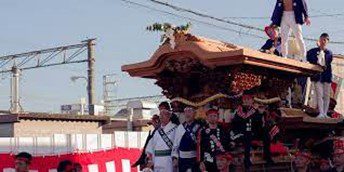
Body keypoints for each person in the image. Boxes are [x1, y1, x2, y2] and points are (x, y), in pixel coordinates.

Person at [306, 33, 333, 118]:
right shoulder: (312, 51)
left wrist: (321, 50)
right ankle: (321, 113)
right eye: (322, 39)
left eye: (325, 40)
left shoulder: (329, 52)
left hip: (326, 76)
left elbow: (323, 62)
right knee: (319, 94)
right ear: (319, 40)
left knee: (326, 95)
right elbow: (310, 58)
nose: (323, 41)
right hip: (317, 76)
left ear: (328, 41)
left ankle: (325, 113)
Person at [146, 104, 178, 172]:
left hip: (169, 161)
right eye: (160, 115)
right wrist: (150, 159)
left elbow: (177, 145)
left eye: (163, 114)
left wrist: (176, 158)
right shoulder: (157, 131)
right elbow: (151, 146)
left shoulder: (175, 128)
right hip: (157, 161)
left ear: (169, 116)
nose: (161, 116)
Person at [172, 106, 201, 172]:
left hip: (194, 160)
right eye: (186, 112)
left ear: (194, 113)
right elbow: (175, 144)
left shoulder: (199, 126)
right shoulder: (180, 127)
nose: (187, 114)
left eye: (190, 111)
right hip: (182, 160)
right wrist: (175, 157)